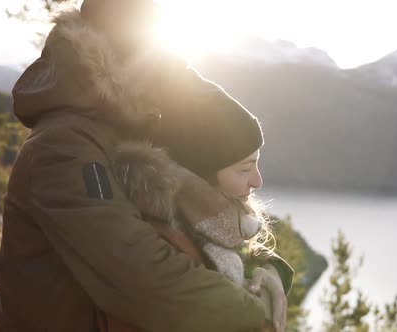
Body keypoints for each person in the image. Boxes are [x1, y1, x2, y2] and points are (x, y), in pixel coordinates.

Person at [0, 1, 291, 331]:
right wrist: (253, 310)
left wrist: (266, 270)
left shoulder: (132, 127)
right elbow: (138, 273)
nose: (173, 75)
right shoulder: (64, 147)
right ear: (120, 57)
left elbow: (205, 219)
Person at [101, 86, 294, 331]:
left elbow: (248, 254)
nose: (258, 181)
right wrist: (263, 305)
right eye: (245, 169)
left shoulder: (218, 222)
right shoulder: (161, 237)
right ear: (202, 175)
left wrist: (272, 271)